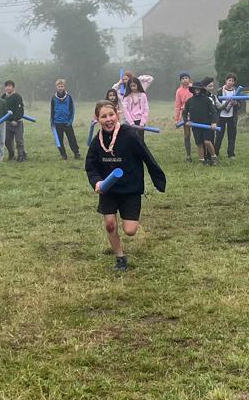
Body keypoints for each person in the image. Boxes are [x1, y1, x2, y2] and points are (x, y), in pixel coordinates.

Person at [86, 99, 167, 271]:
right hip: (108, 190)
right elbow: (91, 166)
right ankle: (120, 258)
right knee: (110, 224)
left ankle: (130, 221)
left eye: (111, 115)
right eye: (103, 116)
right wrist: (97, 182)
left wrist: (158, 179)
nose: (108, 119)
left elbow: (147, 156)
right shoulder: (97, 141)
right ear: (97, 119)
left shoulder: (129, 135)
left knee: (130, 230)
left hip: (130, 189)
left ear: (117, 114)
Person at [184, 78, 221, 165]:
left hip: (206, 125)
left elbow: (213, 112)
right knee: (199, 143)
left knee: (207, 141)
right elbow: (184, 113)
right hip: (195, 126)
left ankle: (214, 158)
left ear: (201, 90)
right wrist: (186, 121)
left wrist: (214, 122)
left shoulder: (207, 100)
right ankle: (202, 161)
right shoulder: (189, 101)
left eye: (198, 89)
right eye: (195, 89)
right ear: (193, 90)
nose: (197, 90)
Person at [51, 79, 80, 160]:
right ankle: (63, 154)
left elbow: (72, 110)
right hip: (57, 123)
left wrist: (70, 121)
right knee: (59, 140)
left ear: (64, 87)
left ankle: (76, 153)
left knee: (72, 139)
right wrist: (52, 122)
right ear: (56, 87)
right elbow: (52, 111)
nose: (60, 88)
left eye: (62, 86)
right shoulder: (53, 98)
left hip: (67, 122)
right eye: (59, 86)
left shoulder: (69, 97)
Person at [216, 74, 243, 160]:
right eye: (229, 80)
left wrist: (236, 103)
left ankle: (231, 154)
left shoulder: (237, 92)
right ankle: (215, 153)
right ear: (226, 81)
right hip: (221, 116)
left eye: (232, 81)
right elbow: (216, 104)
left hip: (232, 117)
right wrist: (225, 105)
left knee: (232, 136)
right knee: (219, 135)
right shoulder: (220, 91)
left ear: (234, 82)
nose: (230, 82)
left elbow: (240, 105)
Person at [2, 79, 27, 162]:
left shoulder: (17, 96)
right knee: (7, 140)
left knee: (19, 141)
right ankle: (11, 155)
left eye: (10, 86)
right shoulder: (3, 97)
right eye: (6, 86)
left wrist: (15, 119)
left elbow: (20, 110)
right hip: (7, 123)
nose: (8, 88)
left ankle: (21, 155)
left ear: (13, 87)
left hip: (17, 123)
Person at [172, 73, 195, 161]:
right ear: (180, 80)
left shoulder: (193, 88)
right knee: (187, 135)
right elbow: (177, 105)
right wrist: (176, 119)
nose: (185, 80)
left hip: (195, 114)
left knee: (198, 134)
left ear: (189, 79)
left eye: (186, 78)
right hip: (185, 115)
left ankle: (203, 155)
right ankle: (188, 156)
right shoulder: (179, 91)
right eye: (183, 78)